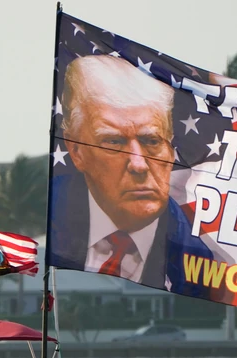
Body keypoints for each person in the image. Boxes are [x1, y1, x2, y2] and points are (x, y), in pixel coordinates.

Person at [47, 54, 211, 296]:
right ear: (77, 151)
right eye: (113, 142)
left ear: (171, 149)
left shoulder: (200, 257)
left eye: (152, 141)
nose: (139, 164)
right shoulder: (52, 221)